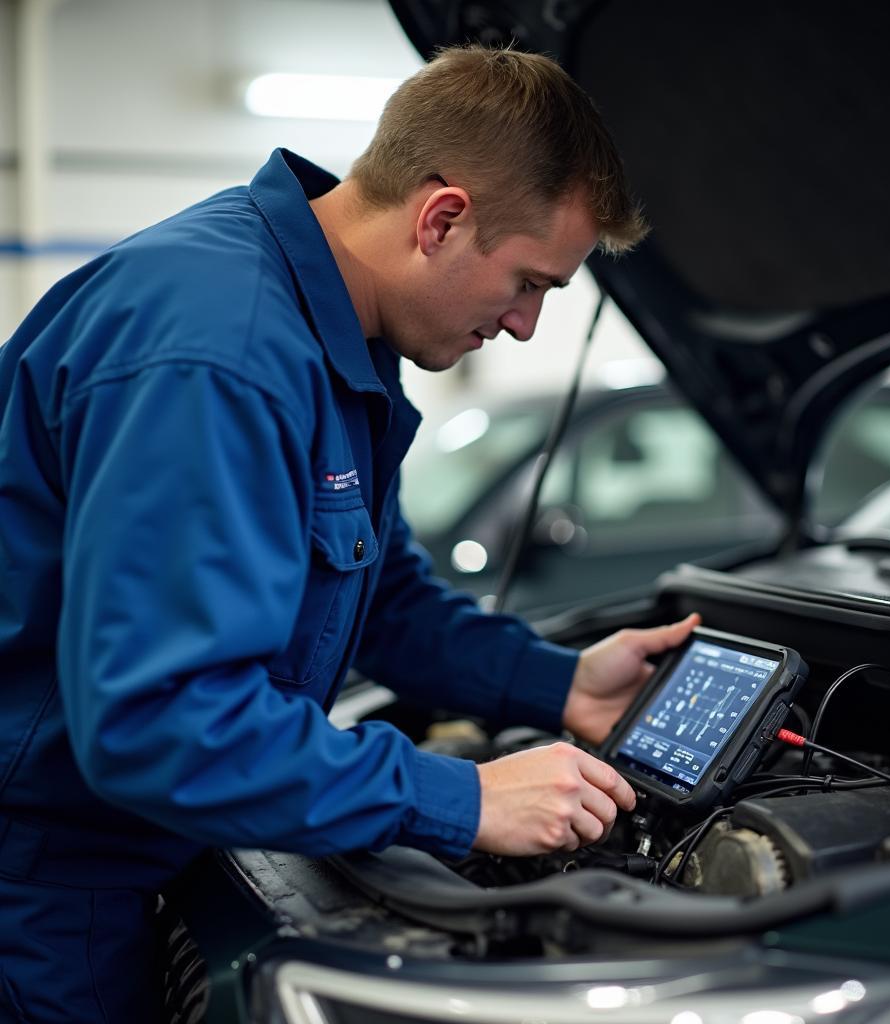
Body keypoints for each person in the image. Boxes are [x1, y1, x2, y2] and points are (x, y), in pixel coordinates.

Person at [0, 45, 700, 1022]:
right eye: (531, 282)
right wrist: (464, 799)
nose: (527, 325)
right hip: (43, 888)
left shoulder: (335, 336)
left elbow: (384, 600)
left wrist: (561, 684)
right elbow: (158, 722)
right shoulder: (223, 352)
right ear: (442, 218)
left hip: (123, 856)